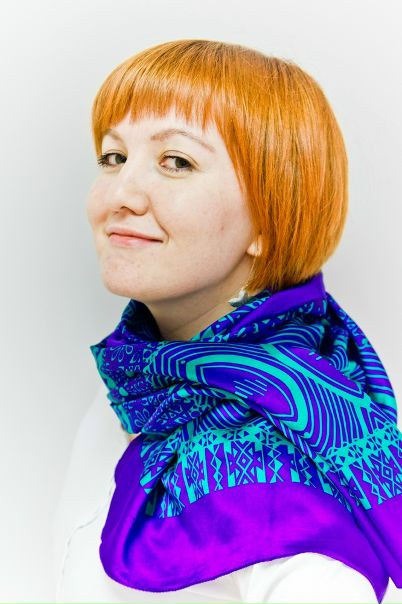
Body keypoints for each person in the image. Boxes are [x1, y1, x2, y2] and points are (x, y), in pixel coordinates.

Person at [52, 38, 397, 603]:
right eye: (113, 157)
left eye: (177, 162)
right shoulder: (145, 380)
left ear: (270, 219)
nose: (120, 193)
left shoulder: (287, 485)